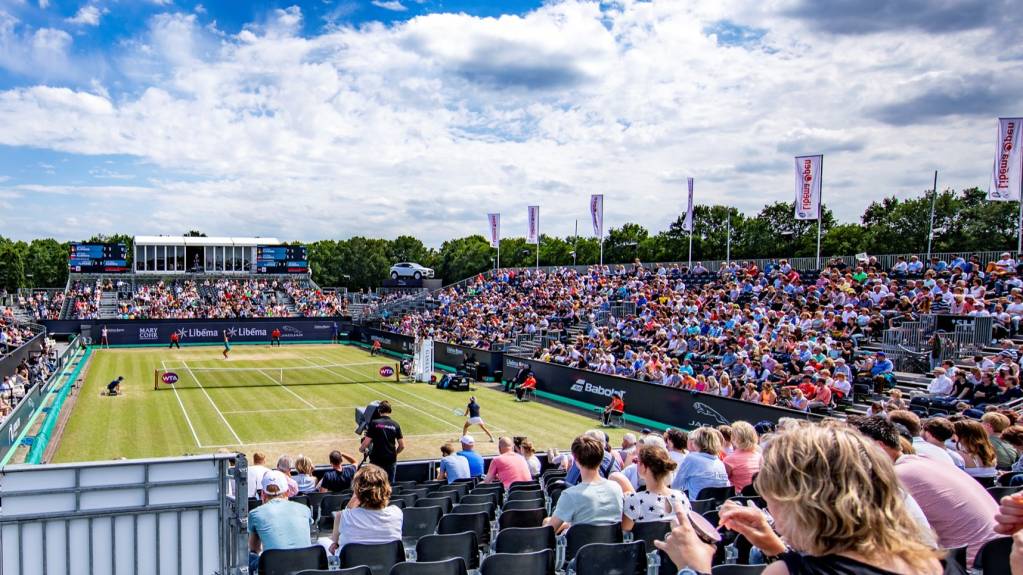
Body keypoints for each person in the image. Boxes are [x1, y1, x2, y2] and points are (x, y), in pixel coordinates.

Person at [658, 422, 951, 575]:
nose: (769, 509)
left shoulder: (786, 572)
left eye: (772, 497)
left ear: (800, 502)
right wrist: (775, 547)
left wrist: (694, 567)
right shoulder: (936, 563)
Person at [855, 416, 999, 564]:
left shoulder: (897, 475)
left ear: (878, 446)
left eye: (857, 449)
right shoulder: (928, 461)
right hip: (996, 555)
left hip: (968, 563)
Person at [543, 434, 625, 534]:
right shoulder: (617, 488)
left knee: (546, 522)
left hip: (580, 543)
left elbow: (548, 532)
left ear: (576, 460)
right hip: (611, 543)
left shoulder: (570, 495)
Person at [326, 465, 403, 555]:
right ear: (386, 488)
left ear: (357, 491)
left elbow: (334, 544)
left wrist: (355, 497)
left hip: (353, 563)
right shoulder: (397, 513)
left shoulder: (343, 516)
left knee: (323, 541)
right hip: (387, 562)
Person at [248, 470, 313, 573]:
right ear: (287, 492)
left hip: (274, 569)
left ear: (263, 494)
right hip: (306, 567)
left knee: (250, 558)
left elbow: (254, 549)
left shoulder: (255, 514)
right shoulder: (305, 509)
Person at [621, 444, 690, 532]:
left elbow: (624, 531)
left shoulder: (634, 500)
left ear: (644, 467)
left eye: (637, 461)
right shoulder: (682, 497)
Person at [671, 426, 731, 498]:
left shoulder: (691, 458)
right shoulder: (720, 463)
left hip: (693, 503)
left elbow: (675, 486)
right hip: (714, 504)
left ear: (697, 442)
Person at [359, 401, 404, 482]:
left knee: (375, 483)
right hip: (391, 460)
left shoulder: (374, 423)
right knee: (389, 484)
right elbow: (402, 446)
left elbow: (366, 442)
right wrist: (394, 454)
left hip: (376, 460)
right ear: (390, 411)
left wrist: (361, 449)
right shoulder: (396, 424)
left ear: (379, 410)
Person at [723, 421, 762, 493]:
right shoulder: (760, 457)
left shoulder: (729, 460)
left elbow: (722, 482)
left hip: (739, 497)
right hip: (758, 496)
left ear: (734, 438)